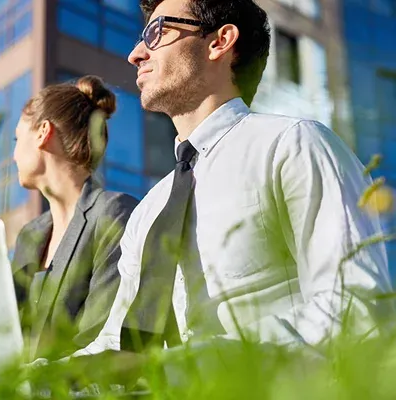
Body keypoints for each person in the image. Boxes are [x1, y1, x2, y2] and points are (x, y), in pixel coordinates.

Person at [74, 0, 393, 356]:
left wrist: (201, 361)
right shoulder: (149, 210)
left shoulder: (292, 145)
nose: (135, 54)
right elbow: (116, 346)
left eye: (156, 32)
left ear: (220, 41)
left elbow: (357, 304)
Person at [0, 75, 139, 397]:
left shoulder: (114, 215)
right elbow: (0, 346)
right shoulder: (30, 237)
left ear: (43, 133)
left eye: (16, 139)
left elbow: (100, 351)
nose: (13, 156)